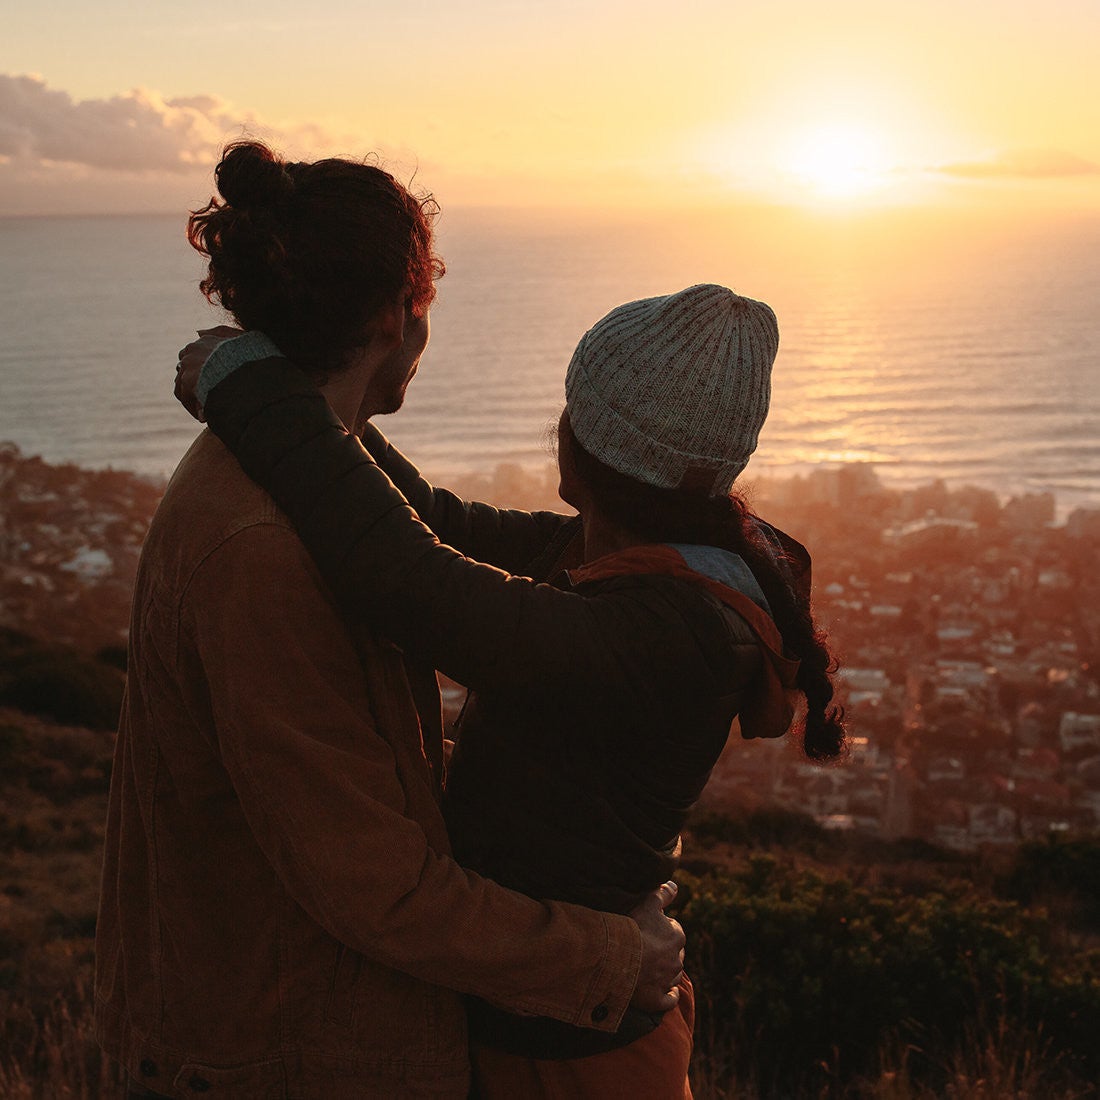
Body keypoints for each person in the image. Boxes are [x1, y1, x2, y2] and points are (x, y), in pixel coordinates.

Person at [95, 140, 686, 1100]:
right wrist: (610, 956)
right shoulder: (261, 548)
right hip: (282, 1056)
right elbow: (374, 884)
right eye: (426, 304)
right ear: (395, 317)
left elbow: (434, 550)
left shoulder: (314, 475)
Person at [177, 276, 846, 1097]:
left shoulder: (674, 633)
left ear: (579, 451)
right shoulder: (637, 559)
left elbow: (410, 581)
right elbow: (430, 522)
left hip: (575, 1057)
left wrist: (252, 389)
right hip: (551, 1021)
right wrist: (307, 396)